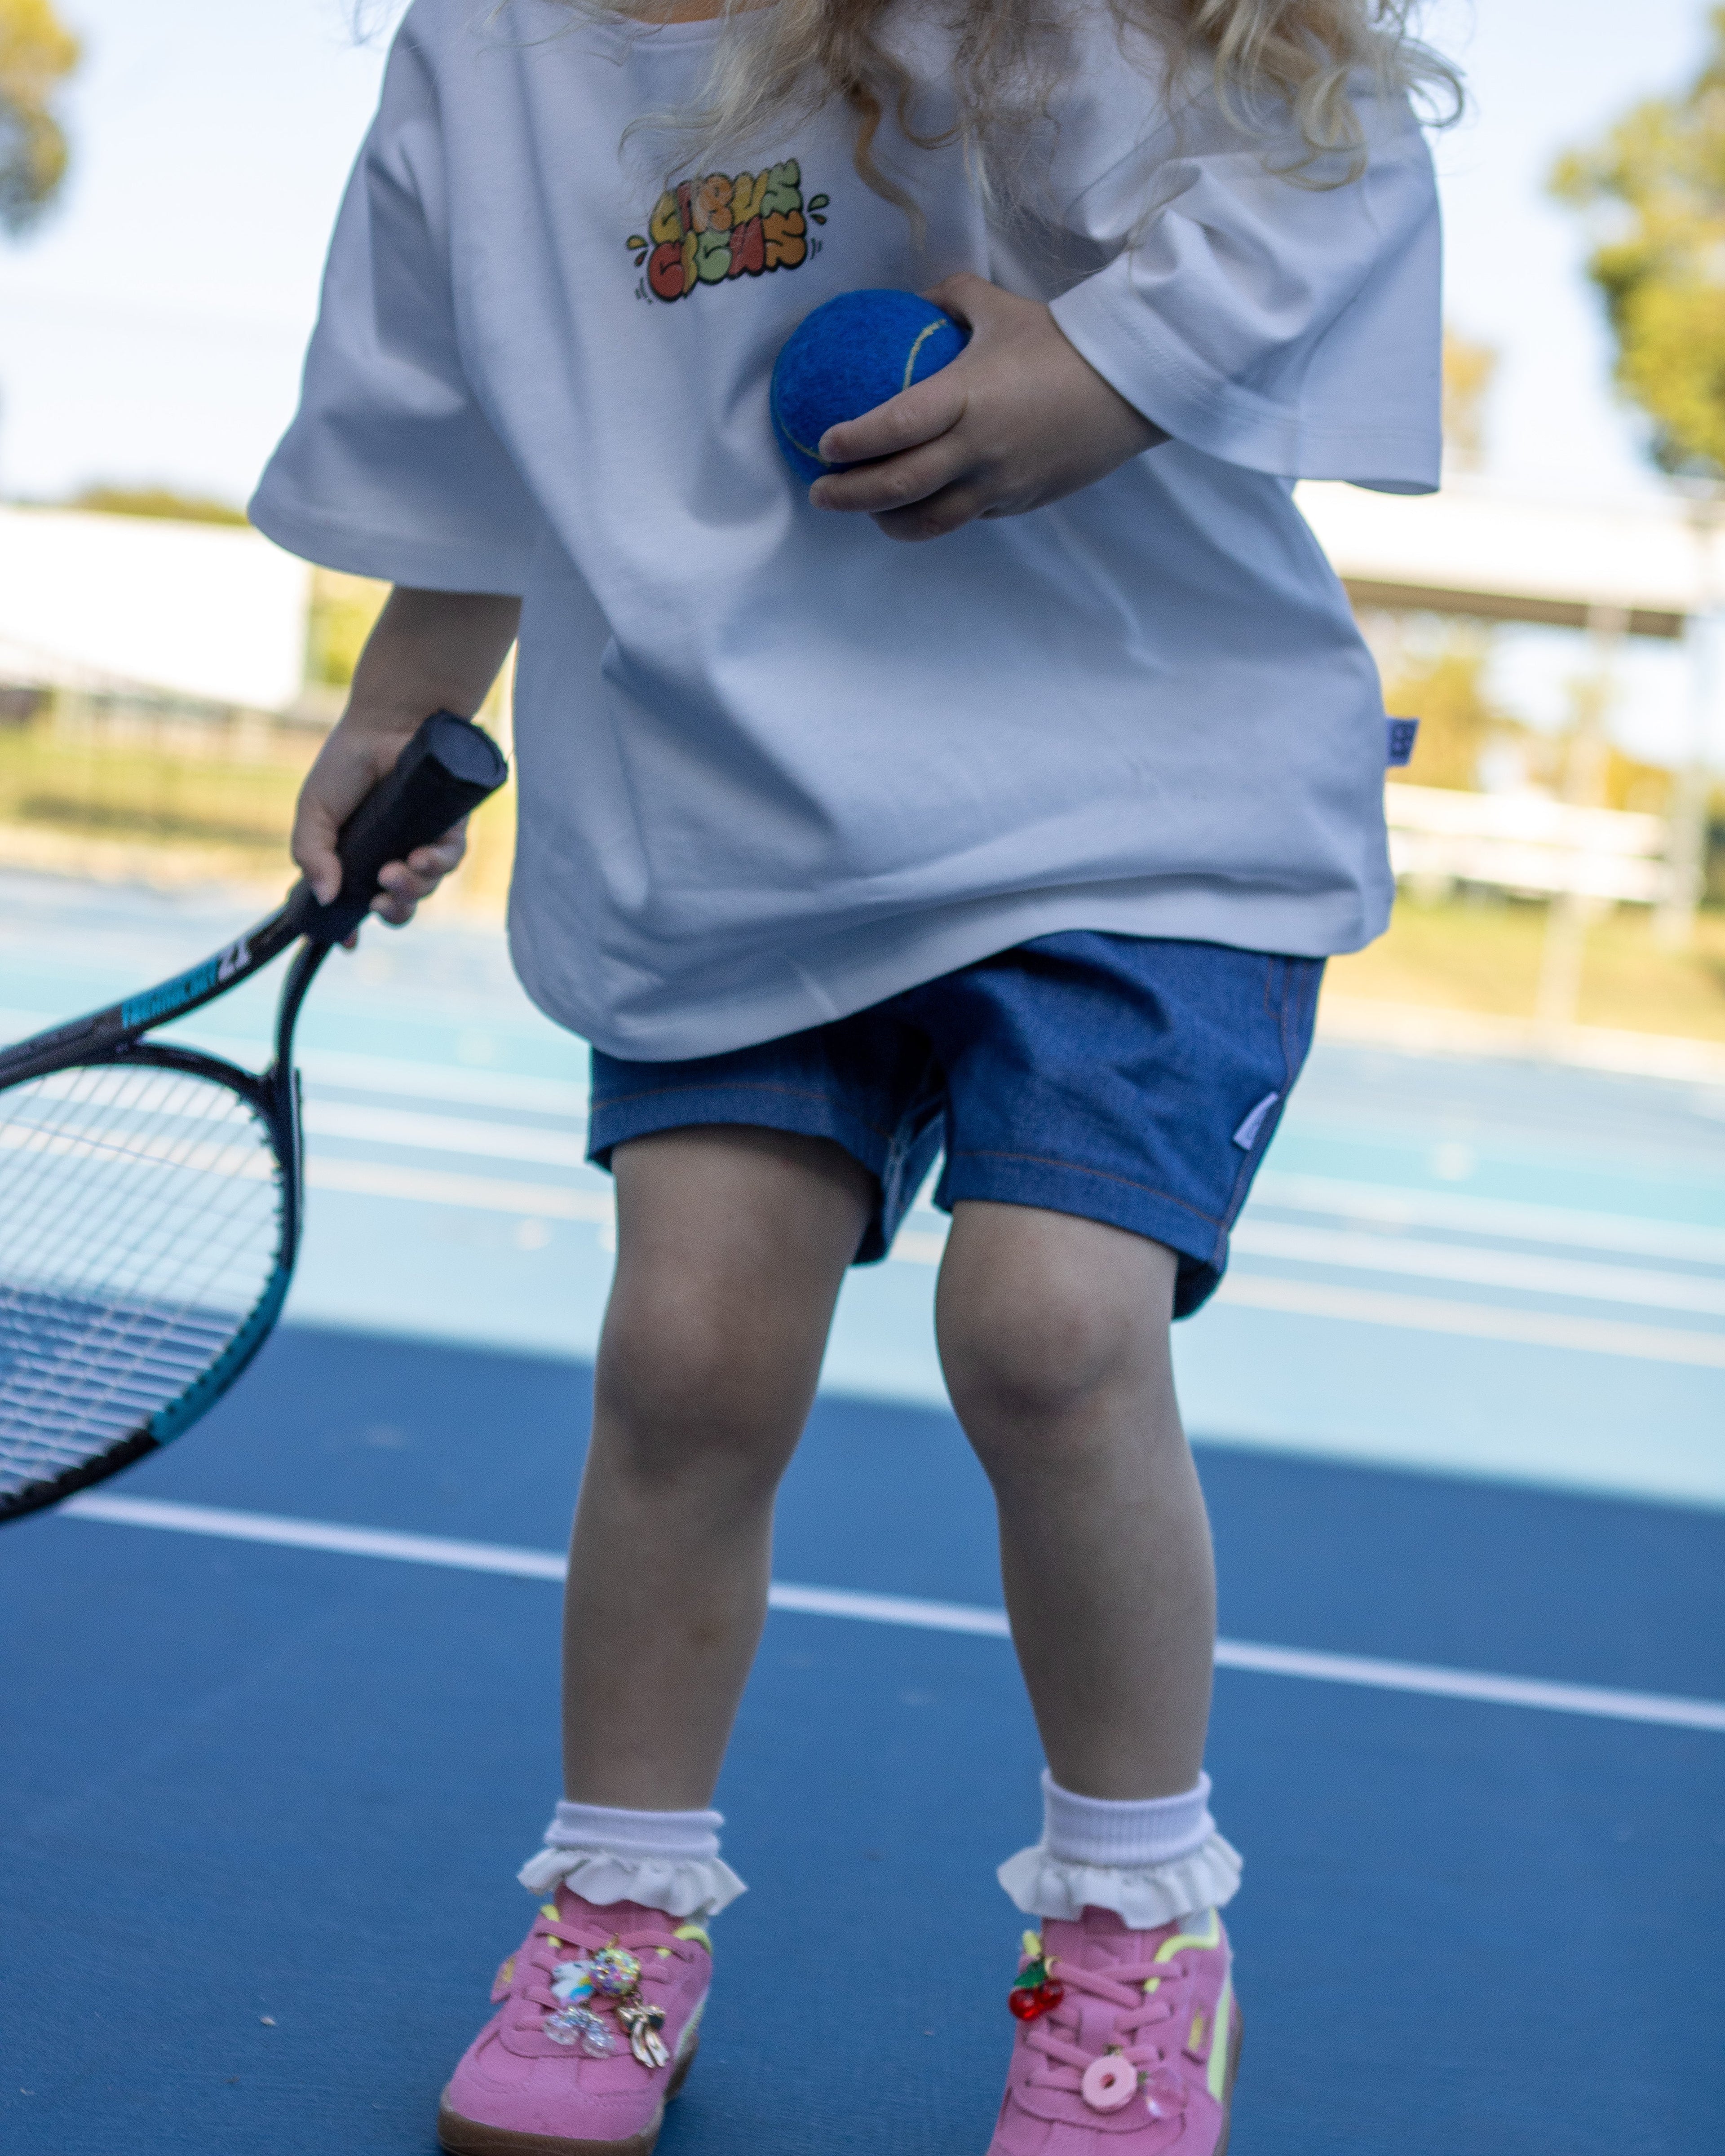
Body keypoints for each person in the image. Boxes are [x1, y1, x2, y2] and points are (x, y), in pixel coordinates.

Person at [258, 1, 1454, 2149]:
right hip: (733, 811)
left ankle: (1136, 1933)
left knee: (1053, 1334)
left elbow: (1324, 158)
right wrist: (409, 694)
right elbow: (466, 422)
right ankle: (616, 1917)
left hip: (1131, 789)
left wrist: (1099, 376)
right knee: (690, 1355)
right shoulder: (486, 50)